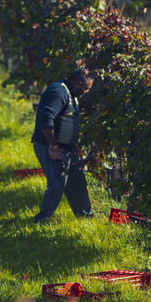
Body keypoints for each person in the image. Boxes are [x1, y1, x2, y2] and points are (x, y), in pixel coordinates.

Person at [31, 67, 95, 223]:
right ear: (79, 83)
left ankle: (85, 216)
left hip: (66, 147)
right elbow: (45, 119)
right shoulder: (59, 92)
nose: (85, 92)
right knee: (57, 183)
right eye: (85, 89)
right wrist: (53, 145)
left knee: (77, 180)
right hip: (49, 145)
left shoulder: (70, 93)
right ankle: (42, 219)